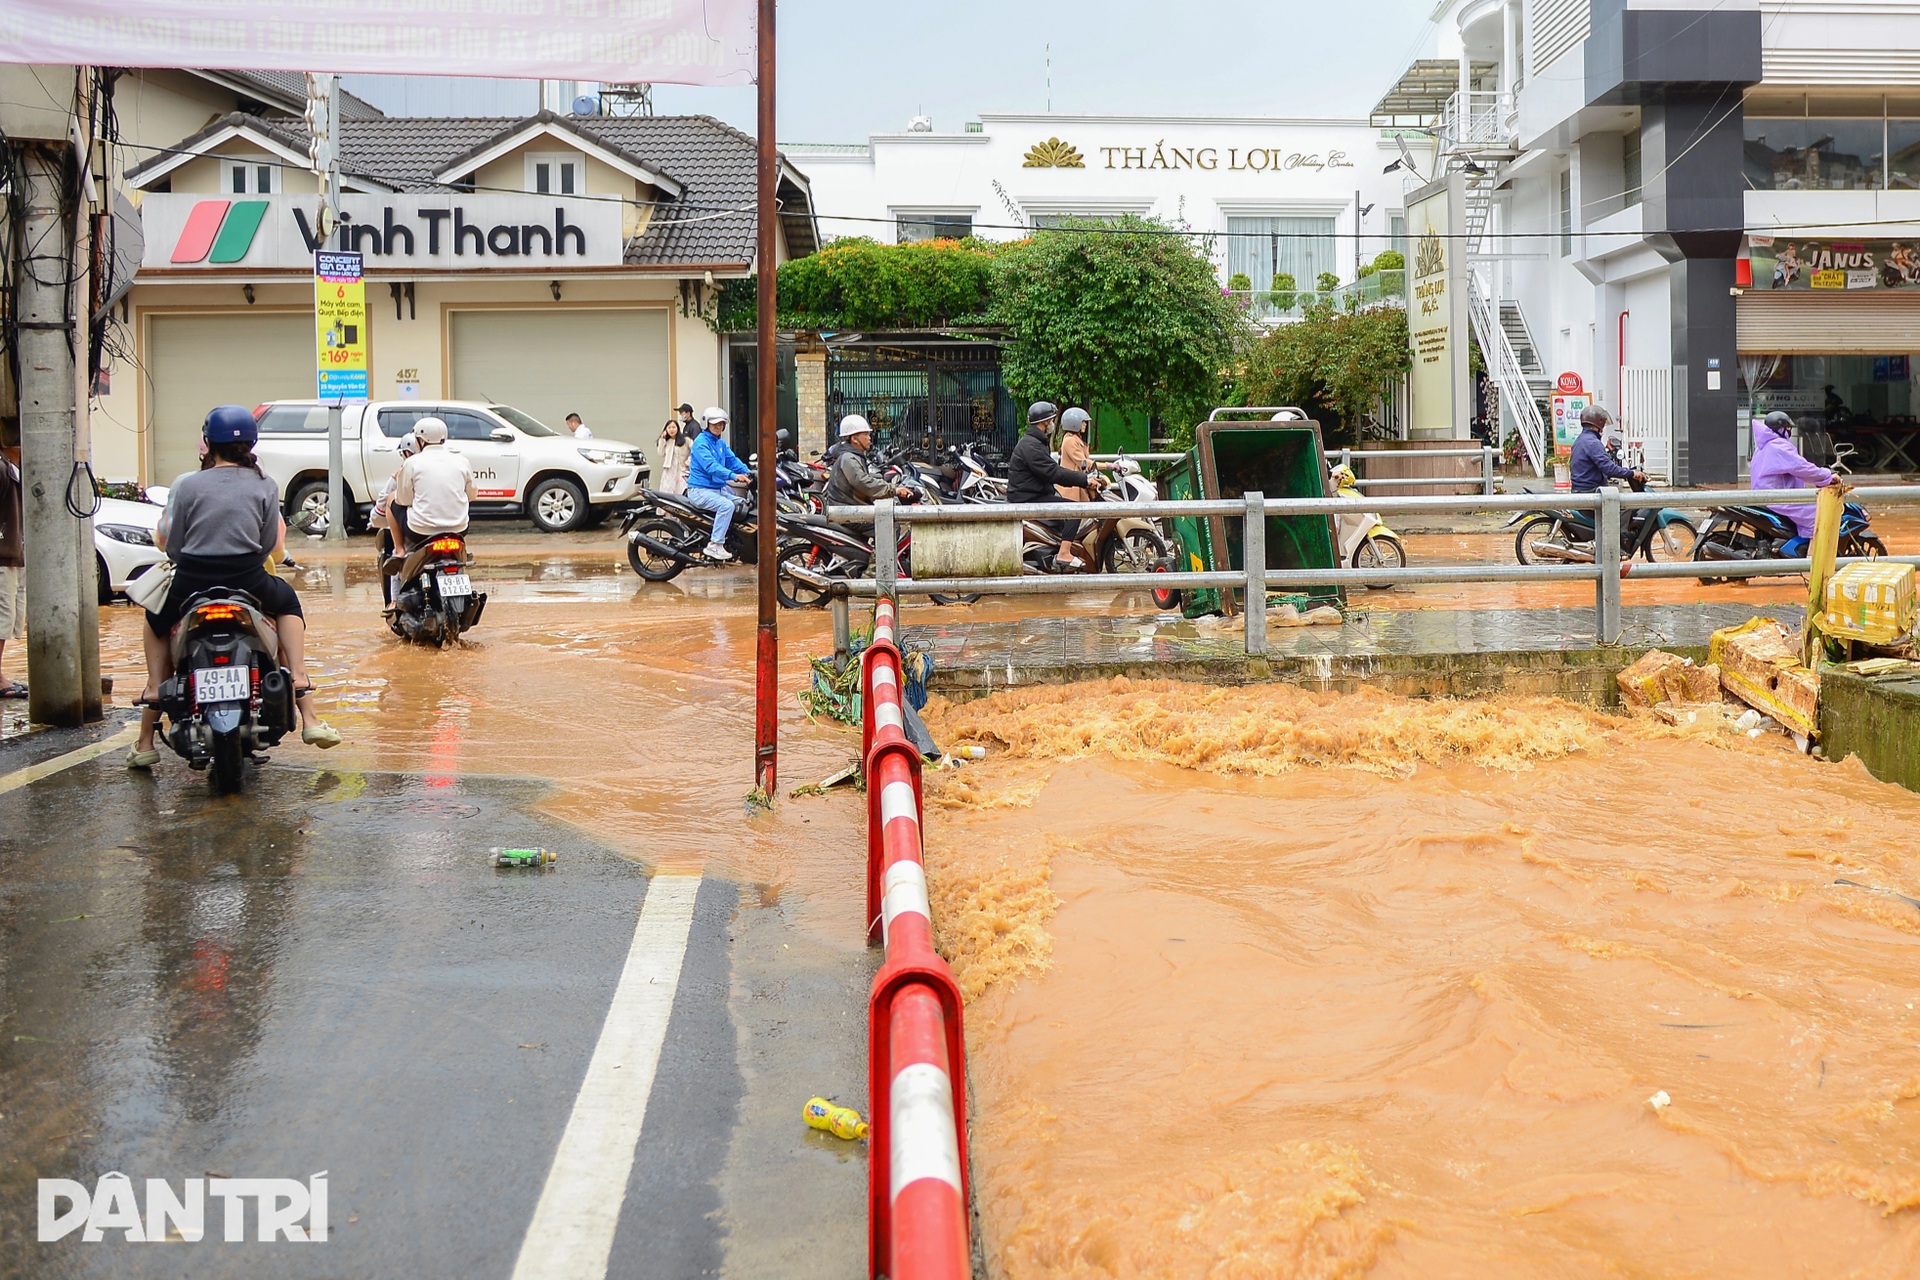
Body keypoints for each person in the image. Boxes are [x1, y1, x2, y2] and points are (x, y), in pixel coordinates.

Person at [130, 405, 338, 768]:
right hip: (247, 577)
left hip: (192, 578)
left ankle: (148, 714)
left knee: (154, 620)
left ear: (209, 443)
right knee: (288, 603)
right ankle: (304, 692)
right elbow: (269, 543)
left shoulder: (190, 484)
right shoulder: (264, 484)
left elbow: (174, 543)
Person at [1007, 401, 1102, 564]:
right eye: (1051, 420)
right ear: (1045, 422)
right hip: (1028, 498)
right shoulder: (1032, 446)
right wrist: (1084, 480)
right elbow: (1054, 472)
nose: (1052, 424)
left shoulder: (1034, 442)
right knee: (1076, 510)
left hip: (1035, 493)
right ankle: (1064, 554)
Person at [1751, 410, 1838, 554]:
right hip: (1779, 498)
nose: (1789, 432)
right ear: (1780, 429)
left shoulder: (1764, 445)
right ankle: (1813, 564)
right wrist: (1827, 476)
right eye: (1787, 428)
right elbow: (1801, 468)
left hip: (1767, 496)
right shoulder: (1779, 446)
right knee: (1820, 517)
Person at [390, 416, 475, 552]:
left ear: (421, 440)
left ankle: (399, 550)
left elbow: (403, 500)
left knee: (391, 499)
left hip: (420, 531)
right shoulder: (462, 461)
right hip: (459, 529)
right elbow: (471, 495)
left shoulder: (412, 462)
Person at [824, 414, 912, 537]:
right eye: (865, 434)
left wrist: (883, 482)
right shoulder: (848, 458)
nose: (869, 438)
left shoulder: (853, 456)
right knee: (889, 526)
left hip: (850, 507)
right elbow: (863, 483)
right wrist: (893, 490)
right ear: (854, 439)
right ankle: (878, 557)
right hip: (847, 511)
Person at [684, 405, 752, 561]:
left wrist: (750, 472)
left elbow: (732, 460)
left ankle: (733, 541)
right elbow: (711, 467)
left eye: (721, 424)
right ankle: (714, 544)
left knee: (743, 504)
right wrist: (734, 476)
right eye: (715, 424)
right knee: (726, 506)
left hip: (718, 490)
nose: (718, 427)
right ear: (706, 424)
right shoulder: (701, 443)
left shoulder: (720, 443)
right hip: (700, 490)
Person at [372, 434, 421, 605]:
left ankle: (394, 601)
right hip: (453, 528)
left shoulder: (403, 474)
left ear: (407, 453)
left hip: (418, 530)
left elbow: (380, 509)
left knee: (398, 554)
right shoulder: (448, 466)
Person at [1569, 405, 1645, 493]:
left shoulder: (1580, 440)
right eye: (1604, 424)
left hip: (1580, 490)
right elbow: (1609, 468)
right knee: (1619, 503)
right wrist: (1632, 473)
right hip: (1590, 492)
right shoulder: (1593, 442)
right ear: (1599, 423)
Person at [0, 440, 24, 699]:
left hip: (14, 554)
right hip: (4, 556)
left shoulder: (16, 468)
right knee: (2, 618)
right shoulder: (2, 468)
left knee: (9, 621)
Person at [1055, 407, 1096, 502]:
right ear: (1074, 423)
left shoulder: (1077, 439)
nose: (1085, 424)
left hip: (1078, 484)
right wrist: (1108, 465)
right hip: (1071, 487)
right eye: (1083, 422)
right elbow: (1083, 462)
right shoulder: (1070, 441)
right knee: (1077, 513)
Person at [657, 403, 694, 496]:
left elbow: (695, 451)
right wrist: (662, 440)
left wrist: (688, 462)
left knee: (681, 491)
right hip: (669, 471)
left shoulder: (686, 440)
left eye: (674, 427)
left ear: (678, 428)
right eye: (669, 428)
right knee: (667, 492)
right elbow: (660, 454)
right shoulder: (667, 441)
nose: (671, 430)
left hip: (681, 470)